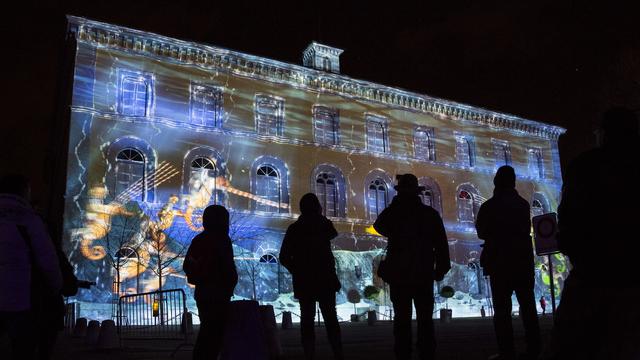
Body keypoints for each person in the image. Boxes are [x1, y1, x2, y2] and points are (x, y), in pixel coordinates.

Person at [549, 107, 640, 359]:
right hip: (632, 274)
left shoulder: (585, 166)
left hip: (593, 273)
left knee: (573, 344)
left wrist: (575, 253)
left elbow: (567, 219)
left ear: (603, 134)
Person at [373, 174, 450, 360]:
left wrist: (396, 205)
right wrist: (440, 269)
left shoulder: (395, 213)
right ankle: (426, 352)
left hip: (400, 274)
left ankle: (403, 353)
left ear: (399, 193)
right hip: (423, 272)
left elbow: (379, 225)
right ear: (417, 193)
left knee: (401, 319)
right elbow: (441, 244)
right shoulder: (429, 214)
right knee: (425, 320)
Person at [476, 165, 540, 360]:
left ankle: (507, 351)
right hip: (522, 261)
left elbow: (481, 232)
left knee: (502, 311)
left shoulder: (489, 206)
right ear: (513, 182)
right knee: (528, 307)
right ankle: (534, 348)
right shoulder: (522, 204)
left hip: (499, 262)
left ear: (496, 182)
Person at [0, 174, 63, 360]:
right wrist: (55, 286)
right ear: (24, 192)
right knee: (22, 349)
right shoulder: (29, 220)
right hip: (19, 298)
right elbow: (47, 259)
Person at [279, 193, 343, 360]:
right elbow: (332, 235)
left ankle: (309, 354)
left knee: (307, 319)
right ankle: (338, 353)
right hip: (325, 279)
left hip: (304, 281)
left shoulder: (295, 229)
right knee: (330, 318)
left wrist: (297, 270)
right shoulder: (323, 225)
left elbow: (284, 257)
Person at [183, 205, 238, 360]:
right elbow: (227, 267)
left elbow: (187, 266)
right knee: (214, 334)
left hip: (204, 293)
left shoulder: (199, 240)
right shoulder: (222, 240)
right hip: (219, 293)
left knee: (207, 331)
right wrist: (230, 283)